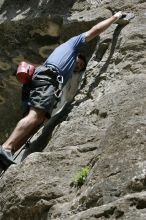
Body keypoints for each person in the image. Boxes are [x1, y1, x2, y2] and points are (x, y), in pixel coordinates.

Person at [0, 11, 124, 170]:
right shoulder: (72, 45)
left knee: (37, 120)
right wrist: (115, 18)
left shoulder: (61, 63)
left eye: (80, 67)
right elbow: (94, 31)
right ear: (78, 55)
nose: (78, 66)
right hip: (46, 78)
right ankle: (6, 148)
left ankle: (6, 155)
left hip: (38, 81)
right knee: (36, 115)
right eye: (79, 62)